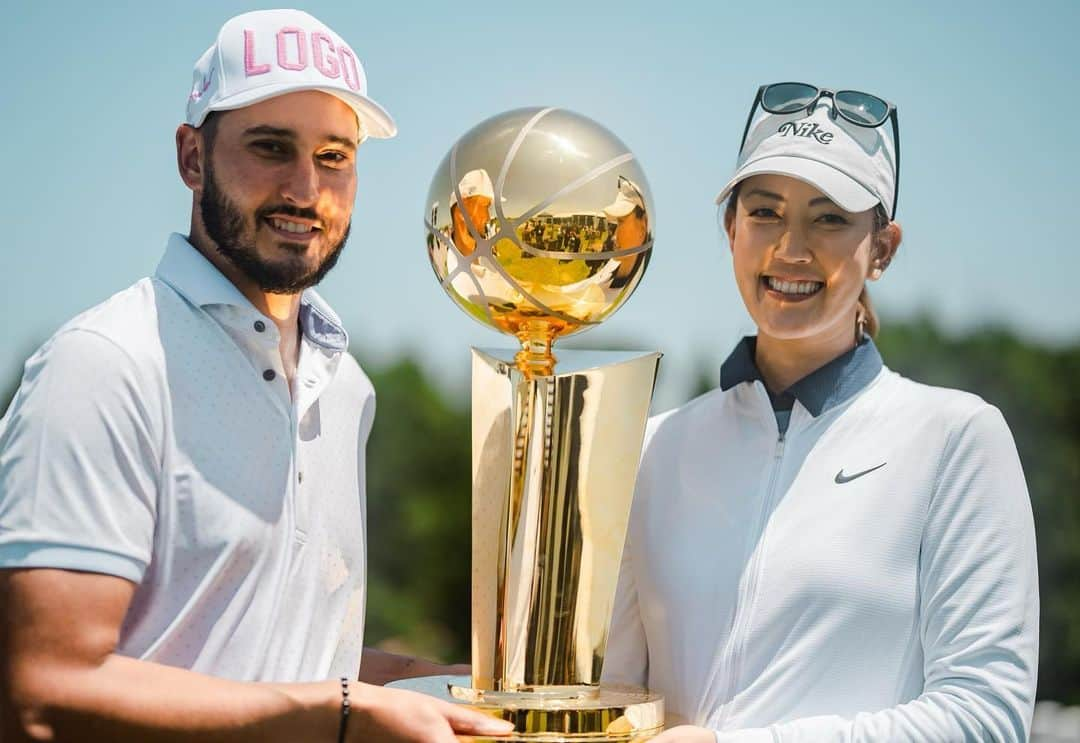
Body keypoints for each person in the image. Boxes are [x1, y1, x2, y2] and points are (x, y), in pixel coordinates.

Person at [0, 10, 513, 743]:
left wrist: (451, 689)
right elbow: (42, 693)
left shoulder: (345, 385)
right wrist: (348, 710)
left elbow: (276, 657)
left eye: (334, 155)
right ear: (192, 158)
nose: (305, 189)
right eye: (271, 148)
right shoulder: (102, 363)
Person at [603, 83, 1039, 742]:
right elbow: (609, 689)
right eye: (765, 212)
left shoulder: (955, 437)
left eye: (829, 217)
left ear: (883, 247)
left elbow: (987, 714)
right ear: (731, 230)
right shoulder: (653, 446)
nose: (791, 250)